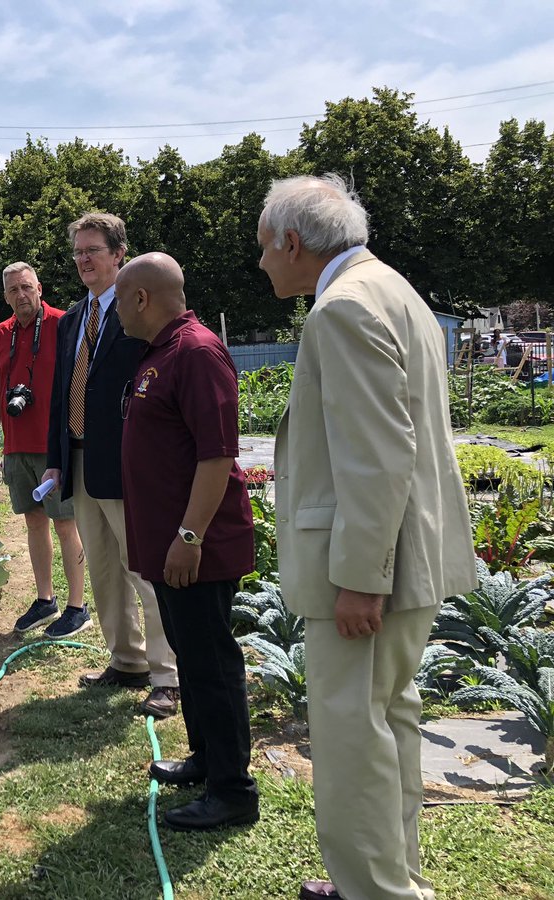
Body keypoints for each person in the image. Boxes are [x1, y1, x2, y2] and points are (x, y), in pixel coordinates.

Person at [257, 174, 477, 900]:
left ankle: (375, 892)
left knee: (354, 739)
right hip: (411, 557)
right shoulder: (395, 290)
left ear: (293, 242)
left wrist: (359, 577)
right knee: (390, 722)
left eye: (264, 246)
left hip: (372, 569)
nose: (261, 262)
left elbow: (375, 455)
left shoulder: (341, 310)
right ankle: (391, 876)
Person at [113, 252, 259, 831]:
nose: (117, 311)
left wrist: (190, 535)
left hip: (195, 547)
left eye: (121, 300)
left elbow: (217, 453)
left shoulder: (196, 351)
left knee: (211, 664)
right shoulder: (160, 352)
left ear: (143, 298)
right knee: (191, 659)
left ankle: (232, 791)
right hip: (168, 546)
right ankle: (206, 758)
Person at [42, 212, 178, 718]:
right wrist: (56, 461)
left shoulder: (140, 306)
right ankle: (127, 661)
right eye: (78, 252)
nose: (83, 260)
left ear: (119, 253)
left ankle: (167, 676)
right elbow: (63, 392)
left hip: (126, 462)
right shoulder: (75, 318)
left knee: (142, 568)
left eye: (92, 250)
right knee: (102, 568)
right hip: (79, 460)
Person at [0, 263, 90, 638]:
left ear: (40, 288)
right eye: (13, 290)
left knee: (65, 523)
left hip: (54, 445)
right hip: (16, 447)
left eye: (26, 287)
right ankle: (46, 599)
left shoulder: (64, 324)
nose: (21, 295)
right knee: (33, 521)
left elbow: (81, 381)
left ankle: (79, 607)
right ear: (5, 296)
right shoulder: (0, 334)